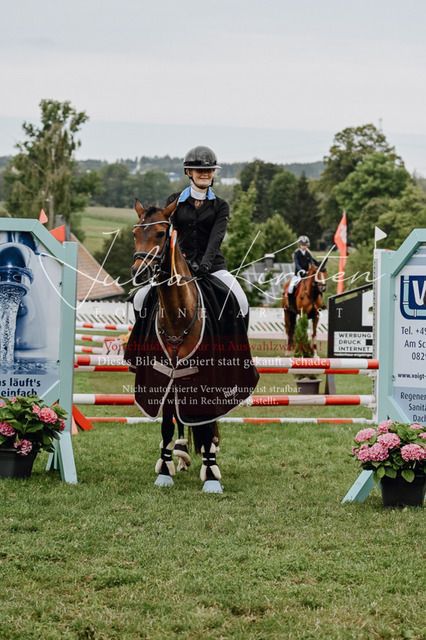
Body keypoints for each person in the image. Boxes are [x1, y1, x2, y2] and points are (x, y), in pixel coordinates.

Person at [133, 145, 248, 319]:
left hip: (213, 267)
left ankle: (238, 338)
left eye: (209, 170)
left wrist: (205, 265)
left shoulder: (221, 206)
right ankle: (139, 336)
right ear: (189, 172)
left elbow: (216, 238)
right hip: (178, 266)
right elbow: (168, 234)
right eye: (200, 170)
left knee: (241, 301)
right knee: (139, 298)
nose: (205, 174)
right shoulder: (174, 200)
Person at [286, 235, 316, 311]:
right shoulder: (296, 254)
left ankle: (317, 303)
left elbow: (312, 261)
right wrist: (302, 271)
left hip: (307, 276)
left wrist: (313, 265)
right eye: (302, 245)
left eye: (305, 245)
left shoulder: (308, 254)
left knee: (316, 286)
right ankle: (290, 304)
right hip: (298, 275)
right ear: (299, 245)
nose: (304, 246)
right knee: (290, 288)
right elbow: (297, 264)